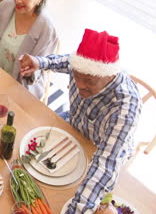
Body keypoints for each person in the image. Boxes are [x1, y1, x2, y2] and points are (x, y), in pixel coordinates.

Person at [19, 29, 142, 213]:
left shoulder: (125, 106)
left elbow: (104, 165)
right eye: (76, 76)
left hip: (102, 151)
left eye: (88, 80)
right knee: (30, 163)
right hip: (74, 129)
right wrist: (39, 62)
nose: (79, 84)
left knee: (66, 194)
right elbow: (65, 61)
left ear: (109, 76)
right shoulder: (82, 68)